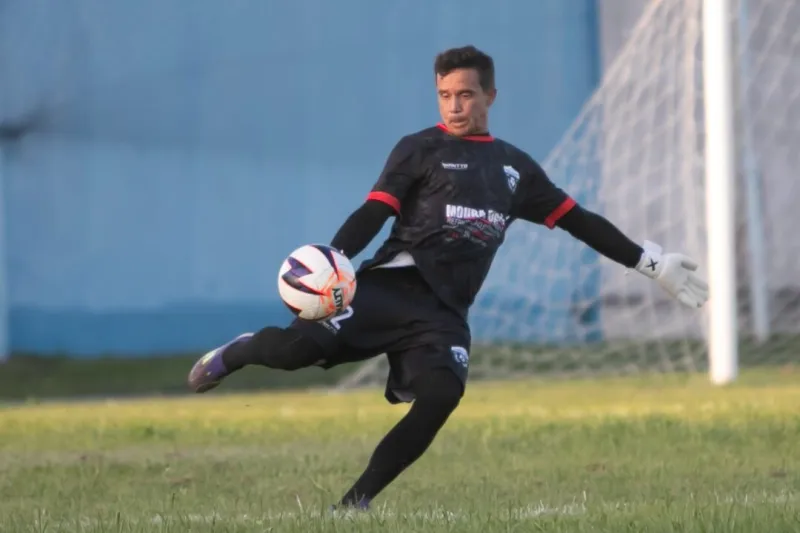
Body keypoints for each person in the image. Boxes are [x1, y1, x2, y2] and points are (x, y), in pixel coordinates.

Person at [187, 45, 709, 510]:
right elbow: (375, 209)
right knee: (288, 356)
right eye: (444, 95)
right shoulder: (420, 148)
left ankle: (354, 504)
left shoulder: (515, 169)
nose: (454, 105)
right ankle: (238, 351)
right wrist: (336, 259)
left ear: (491, 95)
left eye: (465, 94)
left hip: (443, 313)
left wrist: (651, 262)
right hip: (387, 290)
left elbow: (581, 222)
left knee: (441, 396)